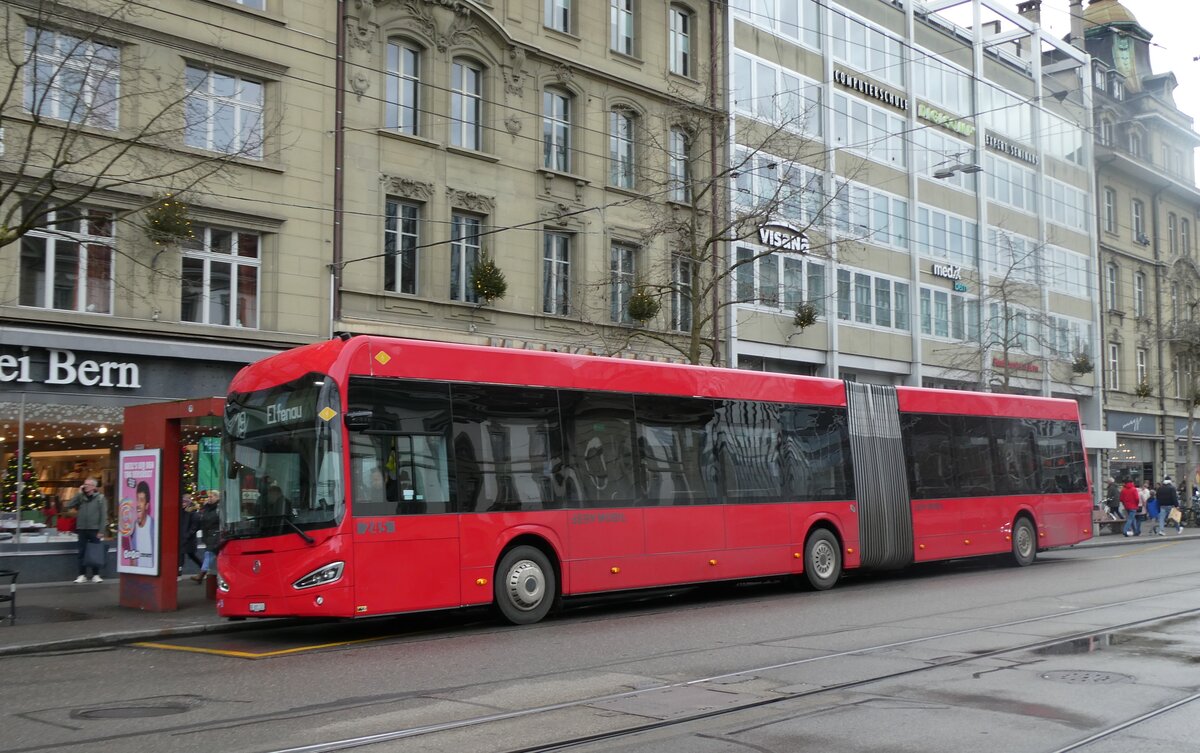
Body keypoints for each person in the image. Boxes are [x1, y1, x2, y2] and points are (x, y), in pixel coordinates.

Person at [63, 477, 107, 583]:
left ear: (94, 487)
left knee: (95, 552)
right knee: (81, 552)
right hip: (82, 529)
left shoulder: (100, 498)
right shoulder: (81, 497)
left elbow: (103, 515)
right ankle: (82, 575)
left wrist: (101, 530)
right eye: (84, 484)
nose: (85, 486)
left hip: (94, 529)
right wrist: (78, 494)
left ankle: (96, 575)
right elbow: (68, 505)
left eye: (87, 484)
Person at [194, 494, 221, 584]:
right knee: (214, 555)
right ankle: (208, 574)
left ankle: (202, 574)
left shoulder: (218, 508)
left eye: (212, 496)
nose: (209, 498)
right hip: (208, 534)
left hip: (215, 534)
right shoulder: (206, 508)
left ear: (217, 498)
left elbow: (212, 520)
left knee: (209, 554)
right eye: (209, 497)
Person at [128, 481, 155, 567]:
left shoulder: (154, 526)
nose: (138, 504)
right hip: (138, 571)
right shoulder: (132, 528)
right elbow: (132, 555)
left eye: (142, 500)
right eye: (137, 499)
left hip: (151, 571)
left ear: (147, 505)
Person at [178, 494, 202, 575]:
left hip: (189, 538)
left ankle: (202, 566)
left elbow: (194, 527)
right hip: (183, 537)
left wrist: (187, 535)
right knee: (181, 554)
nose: (183, 504)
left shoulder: (193, 513)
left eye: (185, 502)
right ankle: (179, 569)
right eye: (182, 502)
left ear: (189, 502)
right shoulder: (182, 511)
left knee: (190, 554)